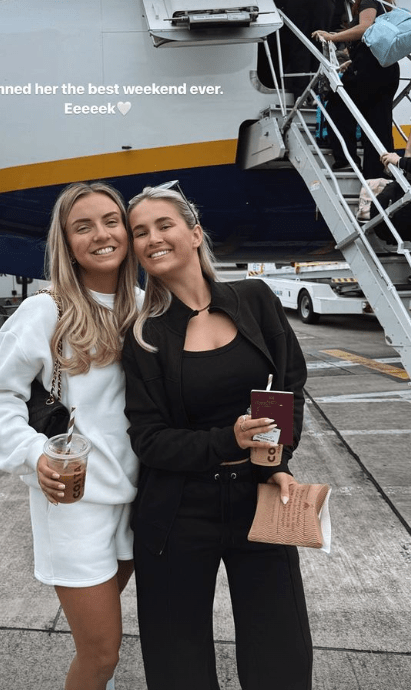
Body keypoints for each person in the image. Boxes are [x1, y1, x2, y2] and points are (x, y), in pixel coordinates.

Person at [122, 182, 313, 690]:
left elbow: (288, 385)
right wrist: (227, 440)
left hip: (259, 497)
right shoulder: (144, 334)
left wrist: (277, 461)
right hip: (178, 509)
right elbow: (150, 440)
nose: (152, 239)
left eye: (164, 225)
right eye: (140, 232)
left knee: (283, 656)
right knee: (176, 663)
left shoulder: (254, 299)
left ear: (194, 232)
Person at [0, 181, 143, 690]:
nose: (102, 234)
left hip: (137, 497)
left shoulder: (144, 304)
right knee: (101, 652)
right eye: (83, 226)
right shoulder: (46, 310)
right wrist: (32, 454)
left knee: (106, 646)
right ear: (66, 243)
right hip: (75, 501)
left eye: (111, 221)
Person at [312, 0, 400, 179]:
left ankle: (345, 161)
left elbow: (365, 28)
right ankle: (377, 175)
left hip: (368, 71)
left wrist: (332, 37)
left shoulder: (368, 1)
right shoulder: (386, 4)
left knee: (337, 107)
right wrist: (351, 61)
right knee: (378, 122)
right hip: (386, 69)